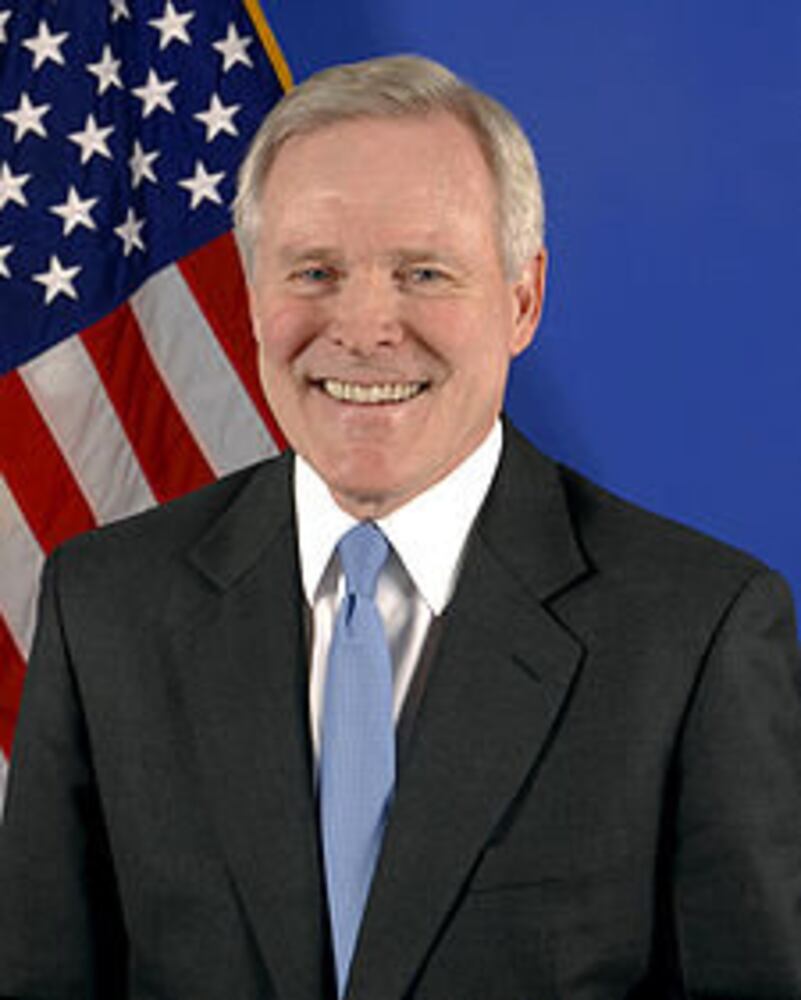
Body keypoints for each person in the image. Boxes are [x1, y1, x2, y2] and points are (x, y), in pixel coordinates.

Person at [1, 54, 800, 1000]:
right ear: (251, 295)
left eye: (423, 273)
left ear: (521, 300)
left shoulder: (695, 630)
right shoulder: (106, 604)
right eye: (314, 271)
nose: (364, 326)